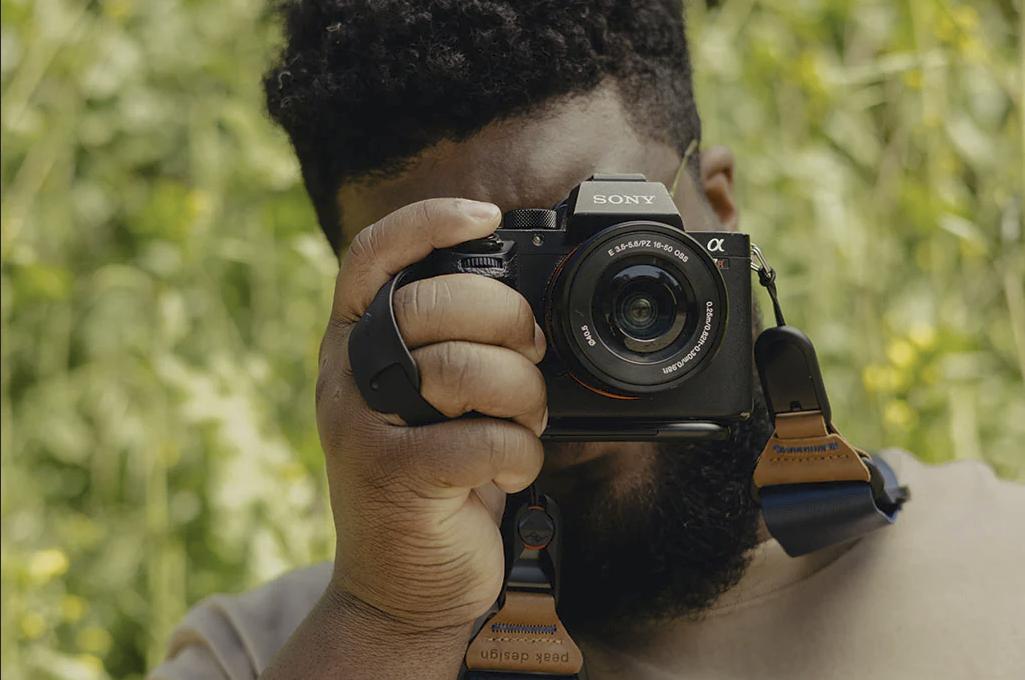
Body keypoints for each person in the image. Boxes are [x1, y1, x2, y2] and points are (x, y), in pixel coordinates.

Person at [150, 2, 1025, 679]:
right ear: (364, 318)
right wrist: (392, 623)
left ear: (718, 214)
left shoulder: (1002, 568)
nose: (559, 354)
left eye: (616, 268)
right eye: (472, 285)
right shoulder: (266, 653)